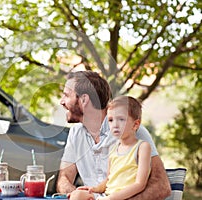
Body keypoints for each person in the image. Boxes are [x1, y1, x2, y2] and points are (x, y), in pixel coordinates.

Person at [56, 71, 171, 199]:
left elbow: (161, 185)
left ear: (84, 100)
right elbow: (64, 179)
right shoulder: (75, 133)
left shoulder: (132, 130)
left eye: (66, 96)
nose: (62, 102)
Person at [69, 96, 151, 200]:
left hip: (127, 197)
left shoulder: (142, 147)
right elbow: (108, 180)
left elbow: (140, 184)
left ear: (135, 124)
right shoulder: (113, 149)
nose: (115, 125)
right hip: (107, 196)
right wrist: (94, 189)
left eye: (121, 119)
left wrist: (112, 198)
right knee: (77, 195)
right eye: (111, 120)